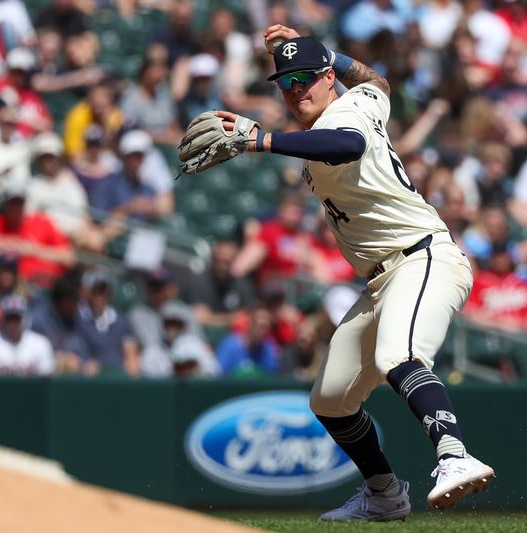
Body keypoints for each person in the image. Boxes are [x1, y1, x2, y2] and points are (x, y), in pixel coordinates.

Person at [191, 27, 494, 520]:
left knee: (400, 354)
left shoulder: (346, 114)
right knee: (331, 399)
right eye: (286, 82)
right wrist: (328, 53)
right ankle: (384, 494)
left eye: (306, 78)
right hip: (380, 279)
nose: (295, 90)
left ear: (328, 80)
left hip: (423, 257)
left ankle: (454, 455)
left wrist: (260, 139)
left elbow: (348, 145)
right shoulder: (367, 100)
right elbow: (379, 81)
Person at [0, 294, 55, 376]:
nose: (13, 323)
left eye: (17, 318)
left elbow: (45, 379)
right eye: (10, 318)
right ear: (3, 319)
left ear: (25, 319)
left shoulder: (41, 343)